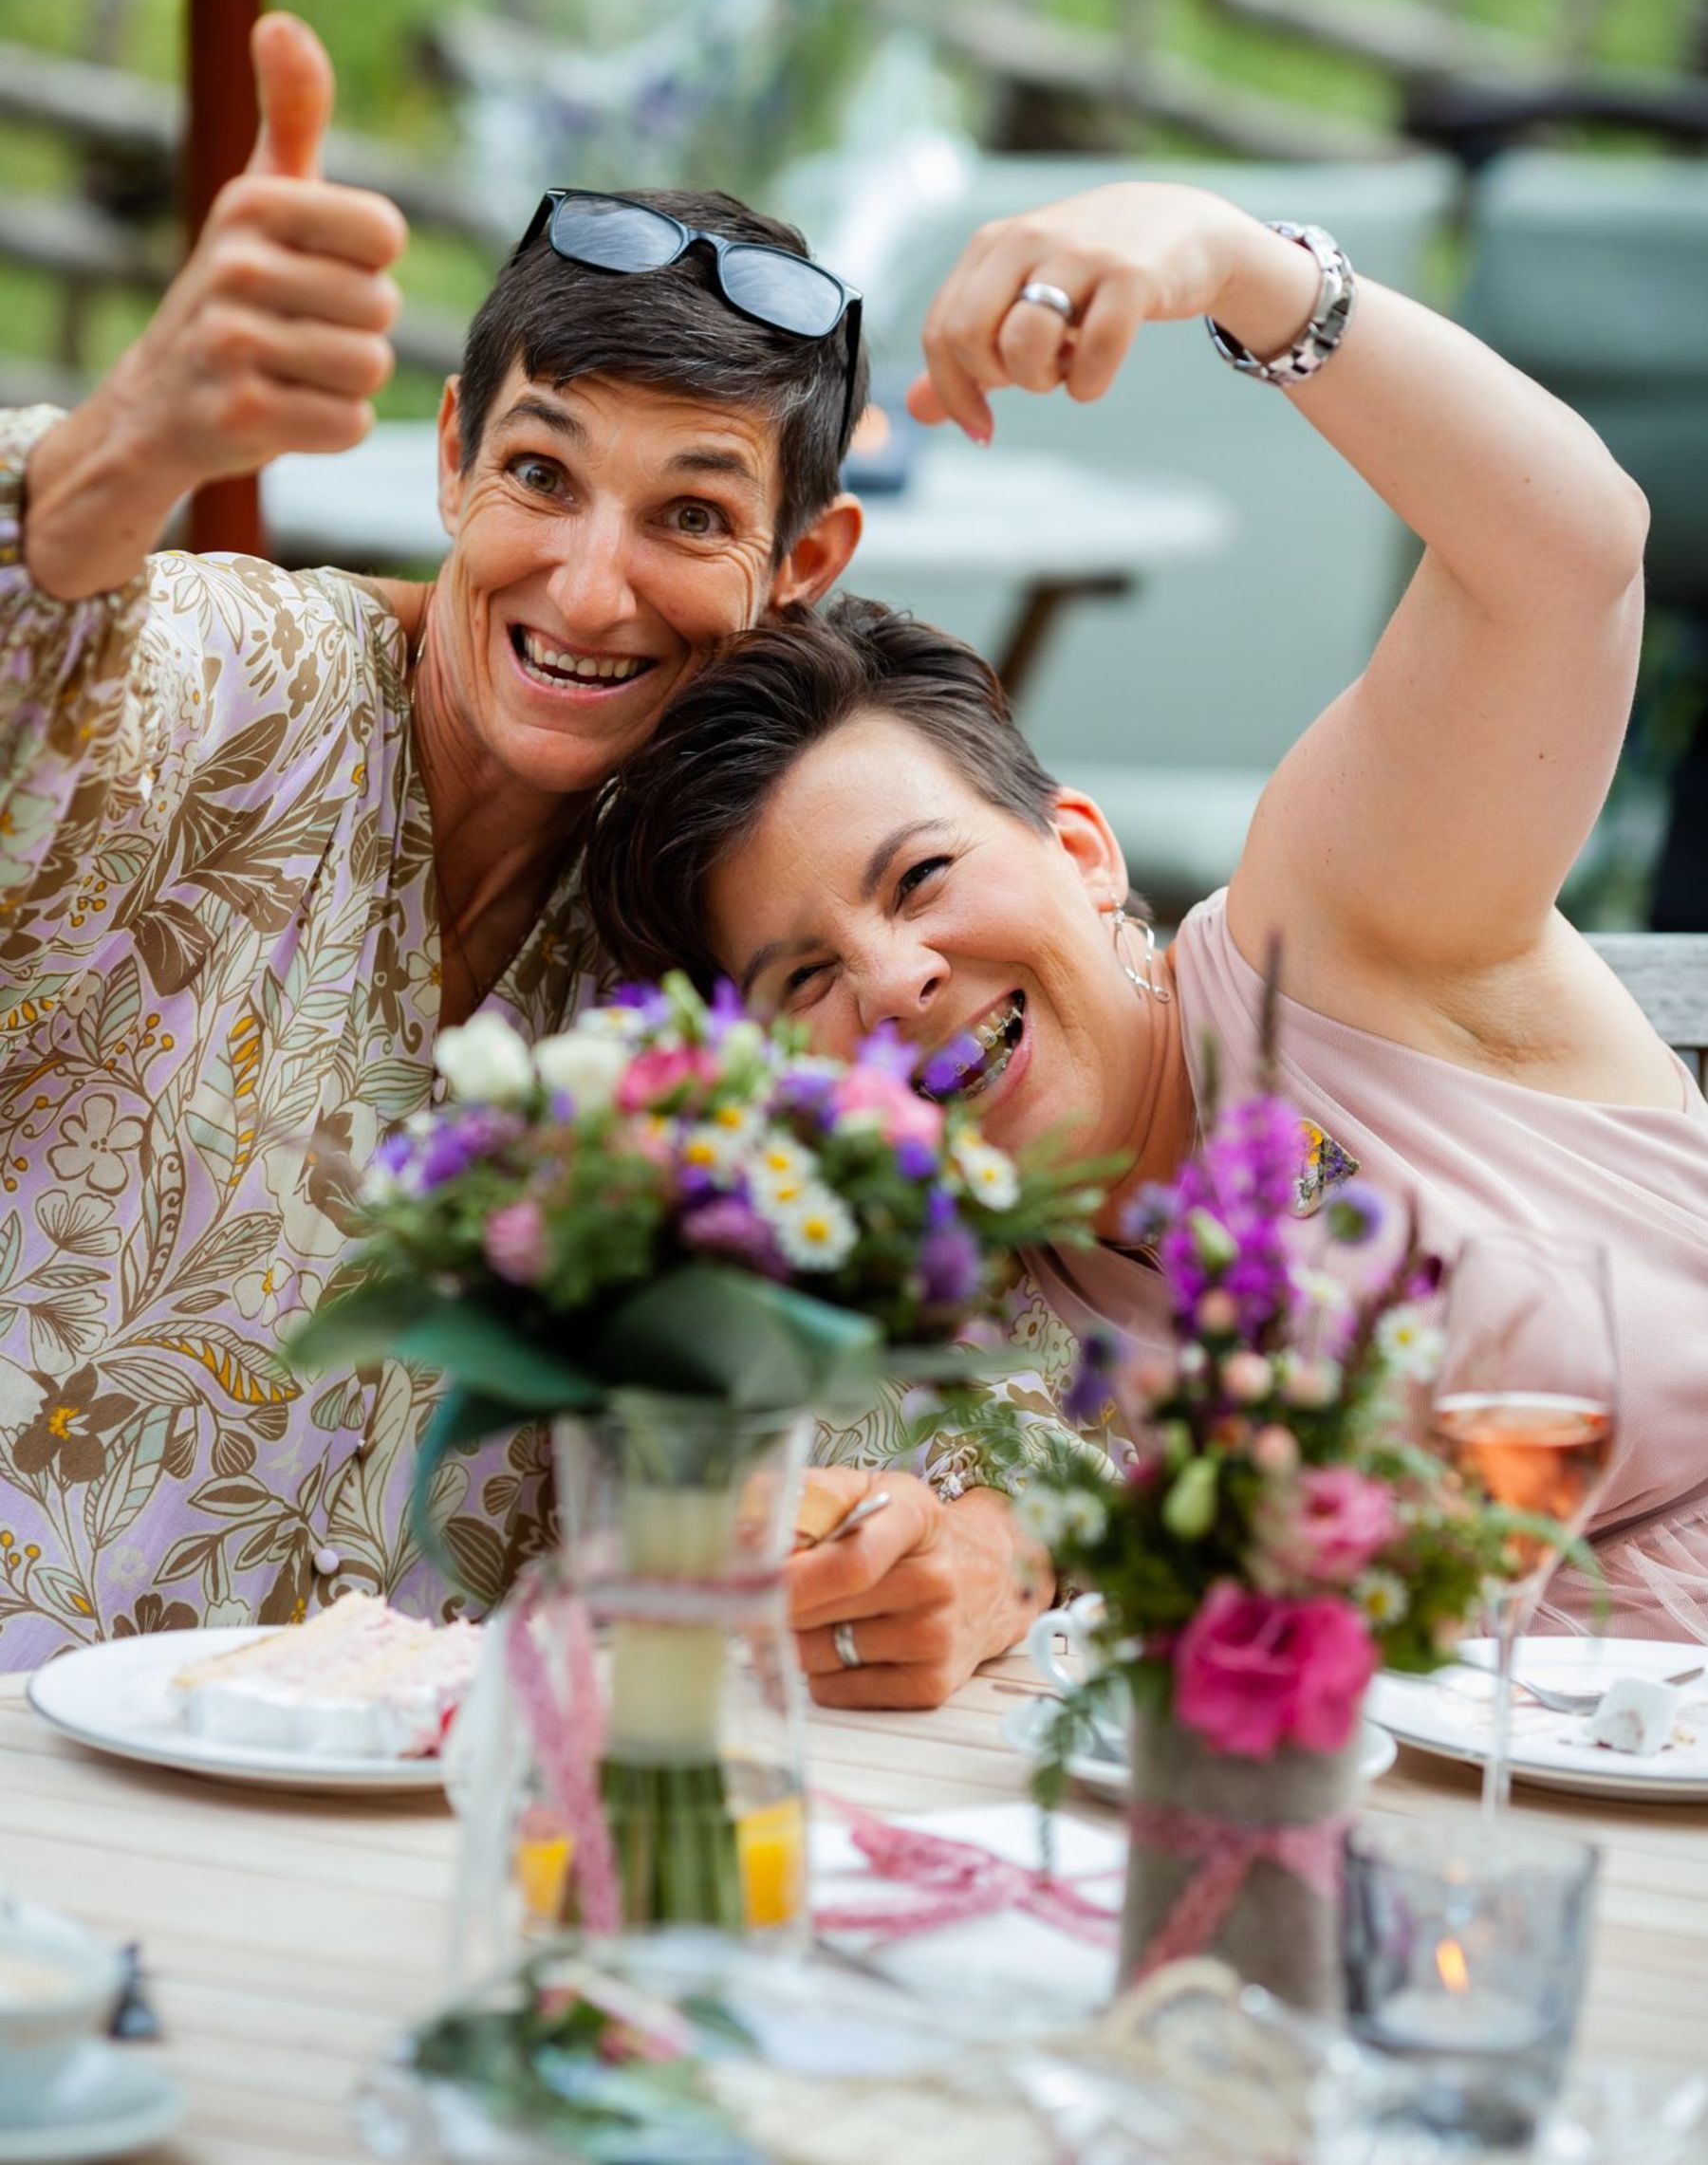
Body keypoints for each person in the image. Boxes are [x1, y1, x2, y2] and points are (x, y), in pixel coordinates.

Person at [583, 179, 1708, 1708]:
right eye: (807, 979)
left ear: (1083, 852)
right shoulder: (962, 1310)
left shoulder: (1333, 934)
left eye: (921, 878)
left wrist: (1236, 265)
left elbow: (1568, 556)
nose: (897, 981)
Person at [0, 14, 863, 1666]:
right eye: (542, 473)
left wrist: (987, 1536)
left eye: (692, 514)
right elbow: (53, 665)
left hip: (404, 1801)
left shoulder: (726, 915)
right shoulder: (250, 682)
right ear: (453, 454)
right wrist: (127, 449)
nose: (591, 589)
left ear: (803, 563)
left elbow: (938, 1262)